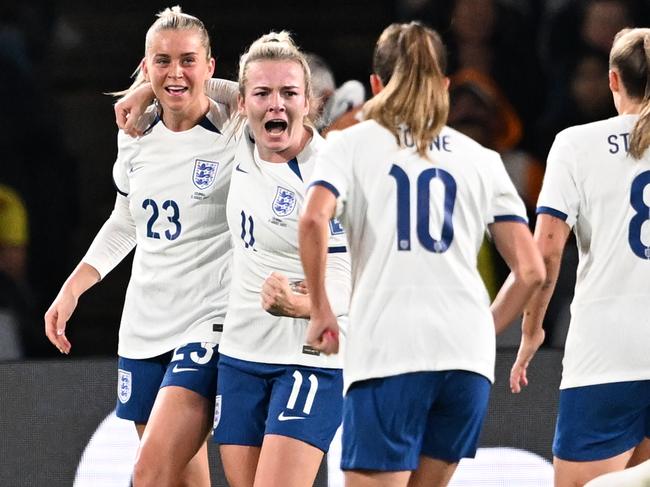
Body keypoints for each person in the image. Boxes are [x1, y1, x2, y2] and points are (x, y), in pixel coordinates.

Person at [299, 21, 545, 487]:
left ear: (375, 84)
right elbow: (531, 269)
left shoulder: (348, 144)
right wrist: (483, 329)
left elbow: (312, 219)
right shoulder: (481, 158)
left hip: (390, 352)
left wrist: (320, 310)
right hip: (466, 364)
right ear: (445, 85)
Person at [44, 7, 236, 486]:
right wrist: (71, 291)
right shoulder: (133, 135)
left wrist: (155, 84)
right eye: (162, 61)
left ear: (211, 67)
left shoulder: (237, 129)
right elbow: (125, 221)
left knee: (148, 475)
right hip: (144, 325)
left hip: (207, 324)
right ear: (144, 64)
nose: (177, 72)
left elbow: (272, 93)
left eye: (189, 60)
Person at [510, 27, 650, 487]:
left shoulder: (576, 144)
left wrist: (531, 330)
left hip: (606, 356)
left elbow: (547, 252)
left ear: (613, 80)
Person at [209, 31, 350, 487]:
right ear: (243, 102)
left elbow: (354, 279)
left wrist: (303, 306)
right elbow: (194, 82)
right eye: (262, 94)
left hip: (307, 359)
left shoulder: (328, 172)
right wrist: (144, 87)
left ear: (310, 102)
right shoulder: (239, 140)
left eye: (289, 93)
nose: (276, 106)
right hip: (240, 356)